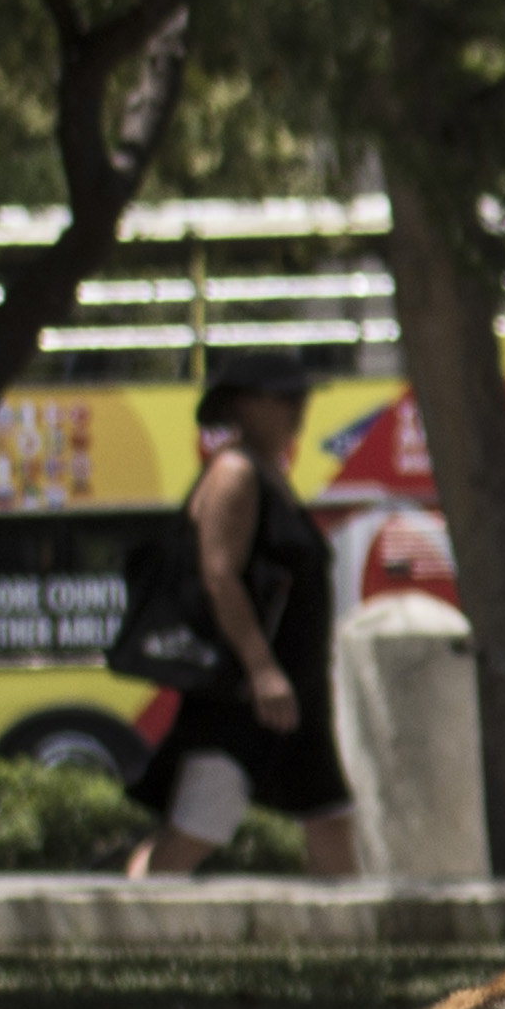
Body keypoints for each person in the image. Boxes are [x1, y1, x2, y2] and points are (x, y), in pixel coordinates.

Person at [123, 355, 360, 881]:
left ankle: (356, 938)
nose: (298, 411)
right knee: (199, 827)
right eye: (284, 399)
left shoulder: (271, 475)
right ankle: (135, 913)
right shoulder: (235, 472)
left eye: (302, 399)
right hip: (246, 697)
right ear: (244, 404)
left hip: (292, 692)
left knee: (327, 816)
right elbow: (219, 574)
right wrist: (262, 670)